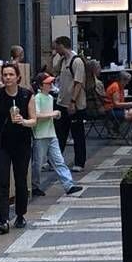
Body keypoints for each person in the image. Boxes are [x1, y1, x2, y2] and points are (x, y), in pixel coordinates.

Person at [0, 65, 33, 235]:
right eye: (5, 74)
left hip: (21, 142)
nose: (8, 77)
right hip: (1, 143)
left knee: (20, 180)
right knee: (2, 180)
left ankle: (20, 214)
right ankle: (3, 219)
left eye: (11, 74)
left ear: (18, 77)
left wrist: (24, 121)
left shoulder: (26, 95)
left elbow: (34, 119)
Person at [28, 73, 82, 197]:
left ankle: (69, 185)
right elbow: (35, 115)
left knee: (58, 160)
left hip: (50, 134)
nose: (51, 84)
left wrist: (53, 114)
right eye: (48, 83)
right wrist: (53, 114)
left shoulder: (50, 98)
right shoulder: (37, 98)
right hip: (40, 135)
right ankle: (35, 186)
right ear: (41, 86)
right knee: (38, 163)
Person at [52, 35, 93, 171]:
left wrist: (73, 102)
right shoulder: (64, 60)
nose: (55, 49)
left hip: (74, 104)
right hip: (62, 102)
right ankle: (55, 160)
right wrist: (56, 57)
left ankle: (79, 162)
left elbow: (78, 83)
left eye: (56, 47)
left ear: (62, 45)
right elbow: (55, 71)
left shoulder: (76, 62)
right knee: (60, 133)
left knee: (77, 133)